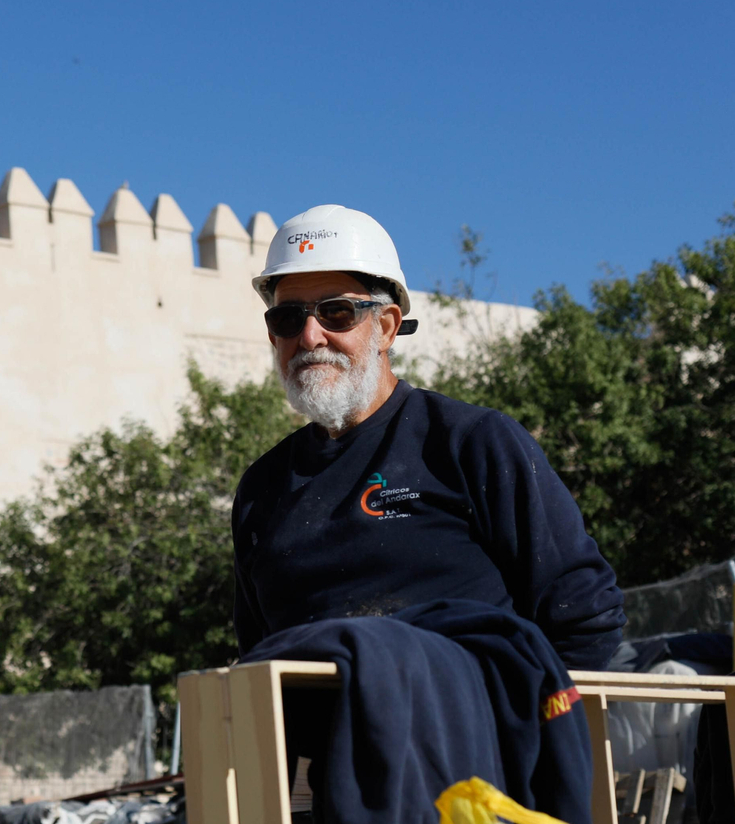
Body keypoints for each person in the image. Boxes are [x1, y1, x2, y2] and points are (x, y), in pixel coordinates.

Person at [231, 204, 626, 671]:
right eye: (288, 318)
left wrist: (525, 730)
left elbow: (584, 616)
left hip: (464, 739)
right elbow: (257, 658)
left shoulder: (472, 443)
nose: (311, 335)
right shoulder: (262, 490)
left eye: (337, 313)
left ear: (386, 326)